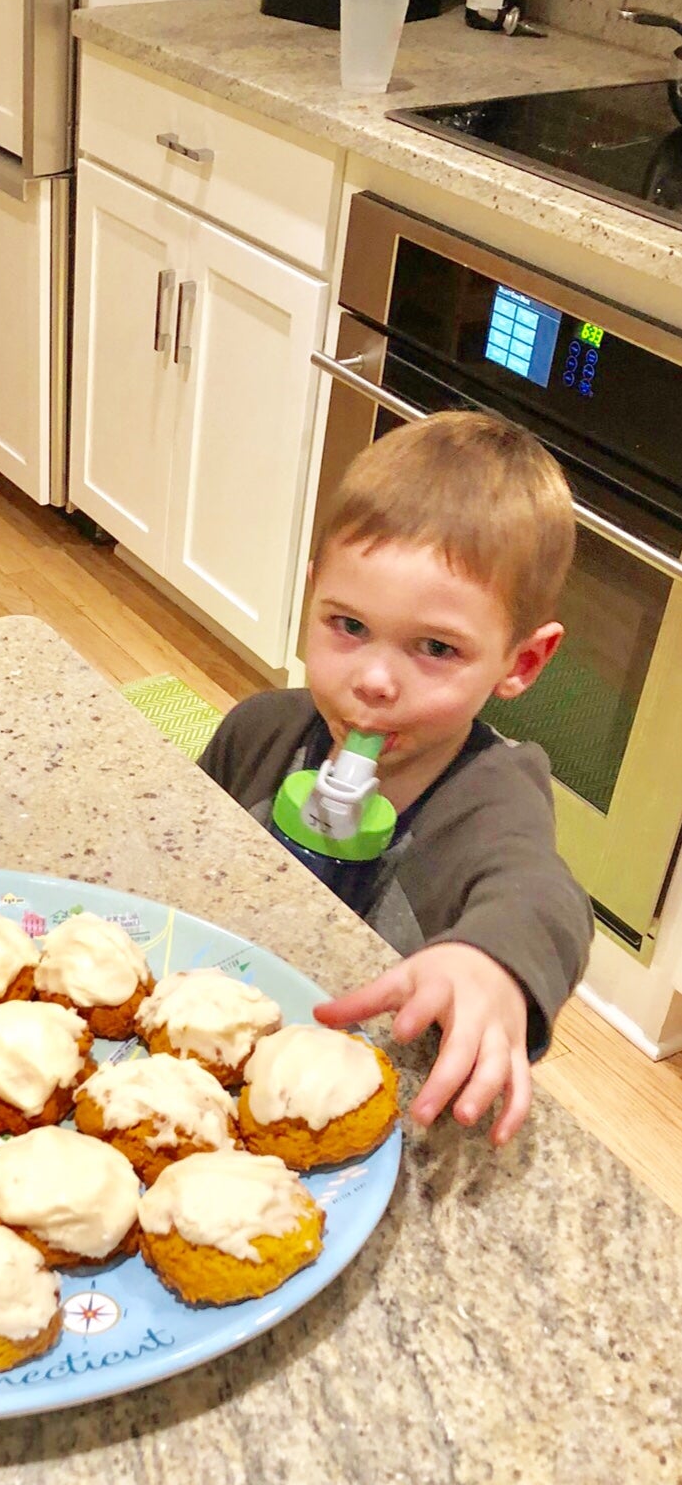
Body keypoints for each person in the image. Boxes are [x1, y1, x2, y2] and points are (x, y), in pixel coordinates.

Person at [198, 411, 593, 1147]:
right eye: (346, 625)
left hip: (362, 1103)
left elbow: (543, 897)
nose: (373, 680)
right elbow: (179, 856)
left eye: (435, 647)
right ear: (311, 595)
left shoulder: (494, 796)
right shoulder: (258, 733)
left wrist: (490, 964)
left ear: (520, 662)